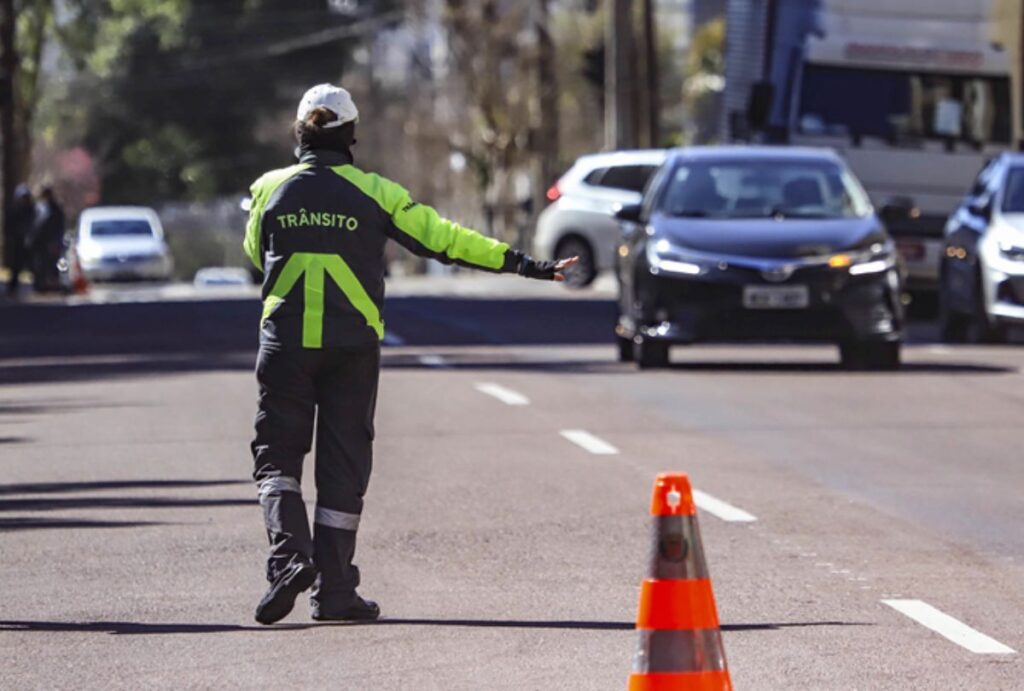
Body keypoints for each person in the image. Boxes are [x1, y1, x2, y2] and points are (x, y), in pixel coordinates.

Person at [243, 84, 577, 625]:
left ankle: (287, 557)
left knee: (278, 457)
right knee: (343, 467)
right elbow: (447, 240)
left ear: (299, 134)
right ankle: (334, 592)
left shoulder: (268, 190)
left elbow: (256, 254)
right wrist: (526, 265)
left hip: (285, 346)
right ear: (352, 136)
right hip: (352, 349)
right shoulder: (378, 193)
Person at [29, 186, 66, 292]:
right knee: (40, 265)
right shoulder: (39, 208)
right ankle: (41, 285)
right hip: (40, 242)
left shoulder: (55, 209)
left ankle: (53, 284)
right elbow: (35, 225)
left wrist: (56, 240)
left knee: (52, 265)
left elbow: (59, 226)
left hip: (51, 241)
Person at [4, 185, 34, 297]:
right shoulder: (15, 210)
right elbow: (10, 225)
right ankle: (12, 286)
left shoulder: (31, 209)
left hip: (30, 241)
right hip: (18, 242)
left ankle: (37, 285)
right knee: (16, 265)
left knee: (33, 264)